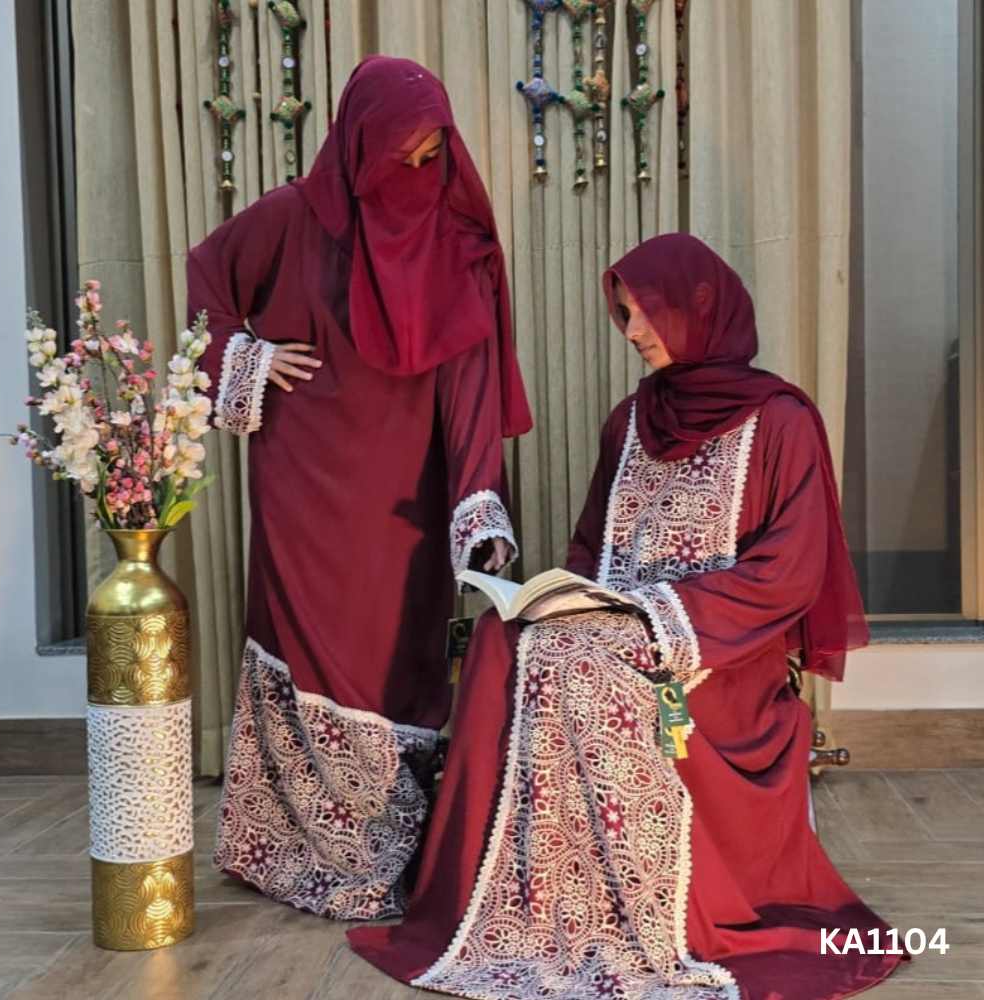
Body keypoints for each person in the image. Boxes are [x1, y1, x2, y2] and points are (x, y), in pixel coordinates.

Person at [349, 234, 902, 998]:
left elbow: (791, 569)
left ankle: (643, 911)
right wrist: (560, 601)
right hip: (613, 621)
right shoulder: (630, 420)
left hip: (719, 649)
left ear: (699, 310)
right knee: (501, 638)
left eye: (647, 315)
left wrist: (653, 619)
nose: (633, 333)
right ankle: (525, 903)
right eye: (625, 316)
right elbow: (591, 546)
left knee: (583, 667)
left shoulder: (780, 420)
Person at [185, 55, 532, 920]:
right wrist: (252, 360)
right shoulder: (294, 217)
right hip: (303, 483)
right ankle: (302, 849)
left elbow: (472, 388)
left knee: (395, 662)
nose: (416, 177)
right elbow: (205, 299)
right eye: (397, 159)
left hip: (402, 499)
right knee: (309, 651)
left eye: (431, 157)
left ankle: (388, 846)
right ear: (355, 149)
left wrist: (476, 499)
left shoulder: (460, 243)